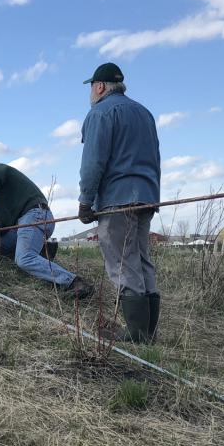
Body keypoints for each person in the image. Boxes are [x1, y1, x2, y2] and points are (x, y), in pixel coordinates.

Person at [77, 62, 161, 343]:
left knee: (123, 263)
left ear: (100, 87)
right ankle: (147, 334)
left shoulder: (100, 113)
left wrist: (85, 201)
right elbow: (155, 157)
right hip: (146, 196)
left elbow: (93, 162)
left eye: (91, 86)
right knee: (141, 259)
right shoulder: (144, 113)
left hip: (117, 200)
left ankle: (137, 336)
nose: (90, 92)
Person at [0, 164, 93, 298]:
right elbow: (3, 223)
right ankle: (43, 250)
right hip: (22, 225)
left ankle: (74, 282)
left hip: (35, 215)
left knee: (23, 258)